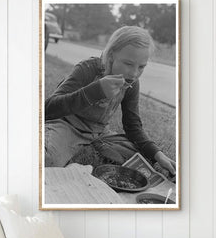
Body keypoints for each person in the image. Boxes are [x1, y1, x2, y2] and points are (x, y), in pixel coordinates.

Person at [44, 25, 176, 175]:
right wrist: (95, 91)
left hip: (99, 133)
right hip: (67, 126)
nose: (134, 73)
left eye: (141, 67)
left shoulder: (132, 82)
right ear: (112, 55)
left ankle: (93, 145)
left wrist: (158, 154)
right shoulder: (88, 68)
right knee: (46, 159)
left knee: (144, 160)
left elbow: (133, 126)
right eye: (128, 64)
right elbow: (48, 109)